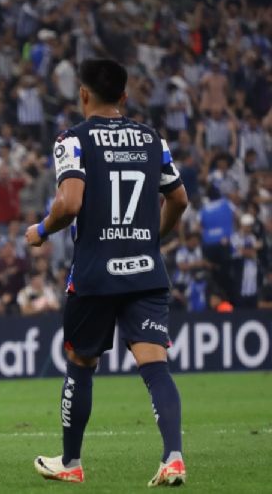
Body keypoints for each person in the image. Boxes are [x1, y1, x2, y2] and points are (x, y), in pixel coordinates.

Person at [24, 58, 189, 486]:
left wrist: (40, 230)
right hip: (146, 270)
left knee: (80, 362)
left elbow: (69, 203)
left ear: (82, 94)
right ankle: (173, 457)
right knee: (155, 364)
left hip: (96, 272)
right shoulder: (153, 139)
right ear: (124, 96)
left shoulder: (72, 140)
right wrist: (153, 239)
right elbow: (180, 200)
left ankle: (72, 462)